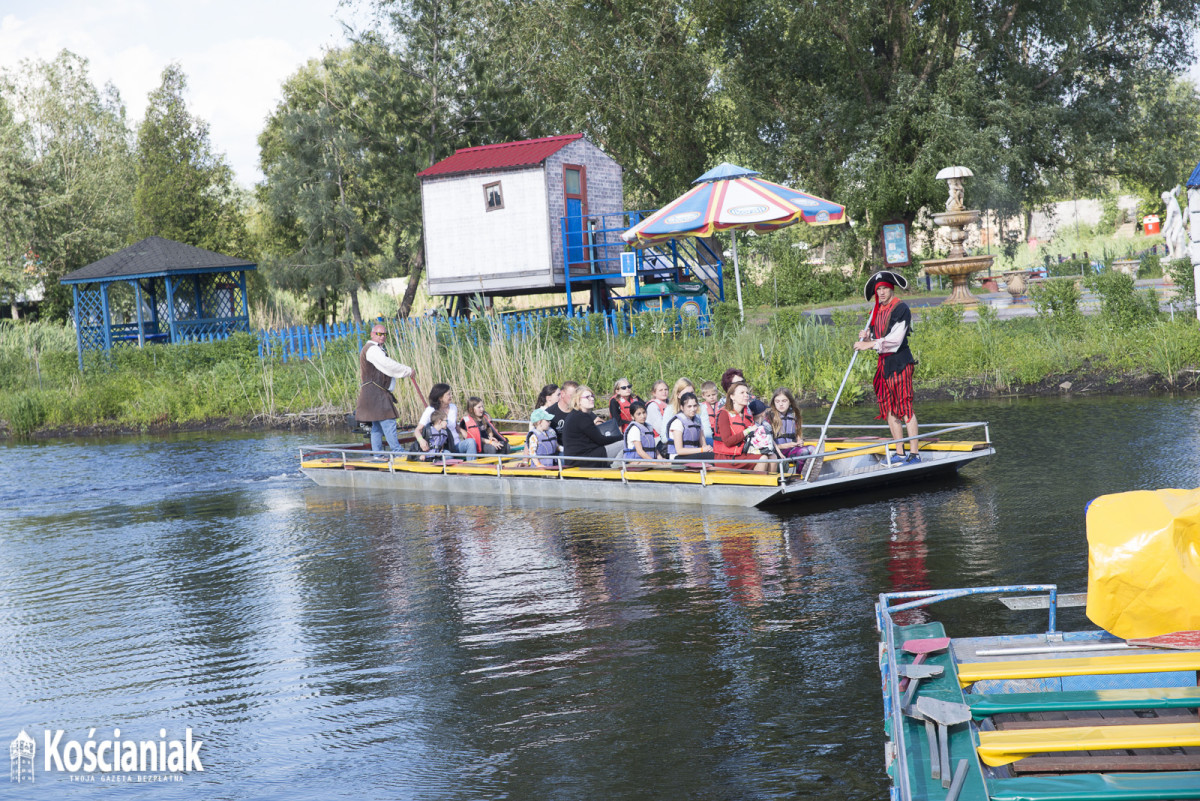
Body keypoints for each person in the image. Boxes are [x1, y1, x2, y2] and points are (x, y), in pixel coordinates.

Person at [853, 270, 920, 464]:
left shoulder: (901, 309)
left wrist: (869, 344)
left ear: (891, 289)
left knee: (905, 407)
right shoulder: (875, 310)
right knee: (889, 409)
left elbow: (895, 340)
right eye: (878, 290)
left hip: (900, 362)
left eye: (884, 288)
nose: (881, 293)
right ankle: (900, 453)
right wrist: (868, 337)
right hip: (884, 364)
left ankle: (914, 454)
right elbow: (879, 337)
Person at [355, 323, 414, 454]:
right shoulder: (372, 349)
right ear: (372, 334)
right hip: (376, 394)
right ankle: (398, 453)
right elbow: (388, 365)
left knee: (377, 427)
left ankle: (377, 455)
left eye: (384, 334)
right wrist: (408, 371)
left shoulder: (376, 349)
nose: (382, 336)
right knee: (388, 422)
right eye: (379, 334)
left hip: (374, 393)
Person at [562, 385, 622, 468]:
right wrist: (621, 437)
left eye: (592, 396)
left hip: (580, 457)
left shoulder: (576, 414)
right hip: (584, 459)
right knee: (625, 443)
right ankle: (615, 470)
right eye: (587, 397)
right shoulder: (581, 417)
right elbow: (600, 440)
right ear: (578, 401)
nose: (592, 399)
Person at [714, 382, 767, 471]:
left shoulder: (747, 414)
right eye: (742, 393)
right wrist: (747, 431)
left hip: (742, 453)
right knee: (763, 459)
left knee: (772, 458)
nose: (746, 395)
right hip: (726, 458)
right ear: (732, 397)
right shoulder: (724, 414)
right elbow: (727, 441)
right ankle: (759, 484)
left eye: (747, 393)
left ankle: (773, 484)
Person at [417, 383, 477, 456]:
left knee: (471, 442)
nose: (451, 396)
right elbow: (418, 430)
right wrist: (421, 441)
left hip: (455, 444)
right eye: (448, 394)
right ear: (440, 398)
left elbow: (454, 426)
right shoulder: (430, 410)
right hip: (441, 448)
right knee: (448, 456)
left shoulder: (453, 407)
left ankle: (471, 465)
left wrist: (463, 432)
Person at [665, 392, 715, 461]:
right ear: (682, 407)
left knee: (715, 454)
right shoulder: (678, 422)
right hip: (678, 457)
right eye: (689, 406)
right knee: (711, 456)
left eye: (695, 406)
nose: (693, 409)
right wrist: (702, 450)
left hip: (693, 455)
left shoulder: (697, 421)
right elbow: (680, 450)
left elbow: (703, 444)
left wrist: (707, 448)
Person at [699, 380, 722, 446]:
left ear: (717, 393)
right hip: (708, 433)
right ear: (703, 396)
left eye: (713, 395)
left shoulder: (721, 405)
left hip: (719, 432)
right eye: (708, 396)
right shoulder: (702, 406)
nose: (712, 397)